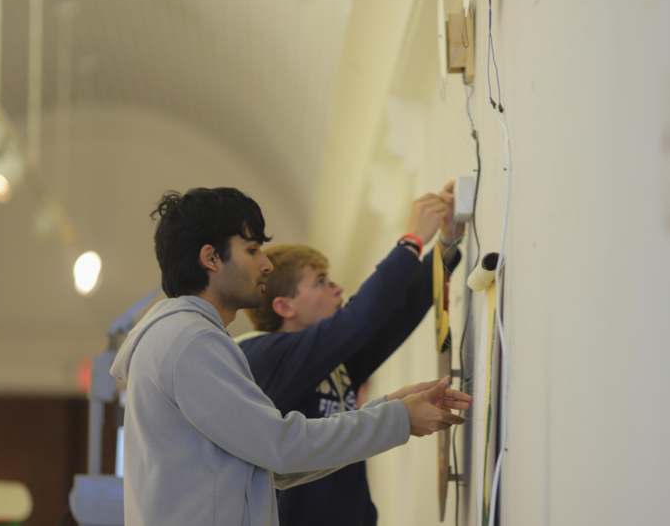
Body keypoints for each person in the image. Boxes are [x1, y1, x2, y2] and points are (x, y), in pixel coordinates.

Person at [109, 187, 471, 526]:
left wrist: (392, 409)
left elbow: (276, 465)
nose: (266, 265)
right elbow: (282, 448)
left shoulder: (189, 340)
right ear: (211, 258)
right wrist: (399, 417)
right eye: (252, 250)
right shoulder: (193, 342)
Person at [238, 182, 465, 526]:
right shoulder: (262, 355)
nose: (337, 288)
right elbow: (361, 317)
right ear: (284, 306)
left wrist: (446, 244)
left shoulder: (332, 360)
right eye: (321, 281)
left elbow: (395, 314)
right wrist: (411, 241)